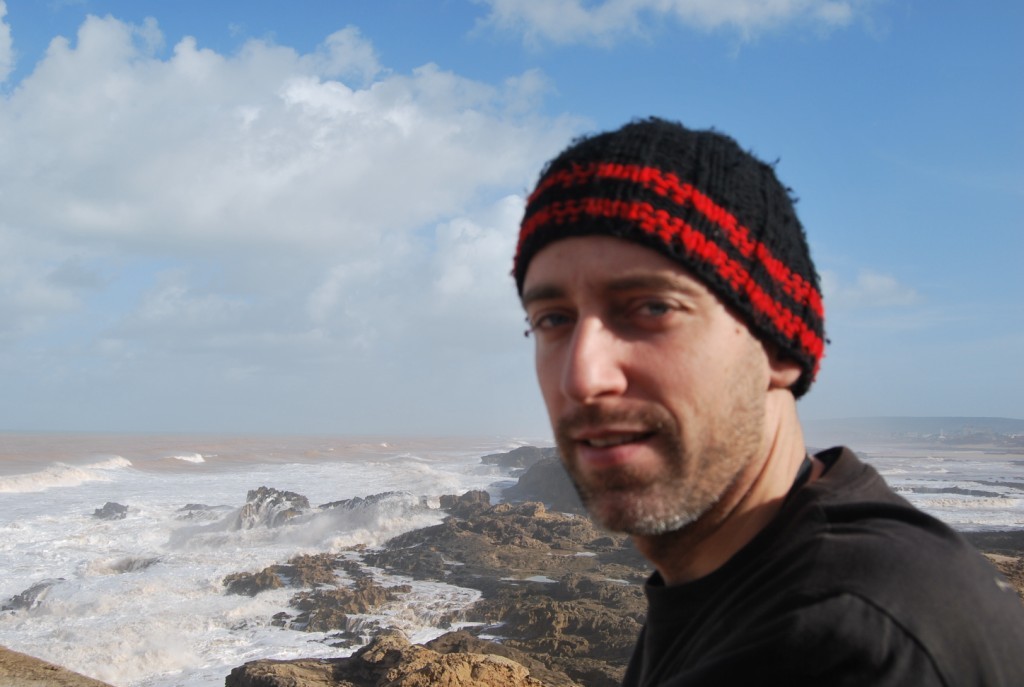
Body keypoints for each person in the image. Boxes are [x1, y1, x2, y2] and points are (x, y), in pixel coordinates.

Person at [513, 117, 1024, 686]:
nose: (582, 378)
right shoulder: (743, 580)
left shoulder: (849, 644)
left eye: (653, 308)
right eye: (552, 319)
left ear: (779, 346)